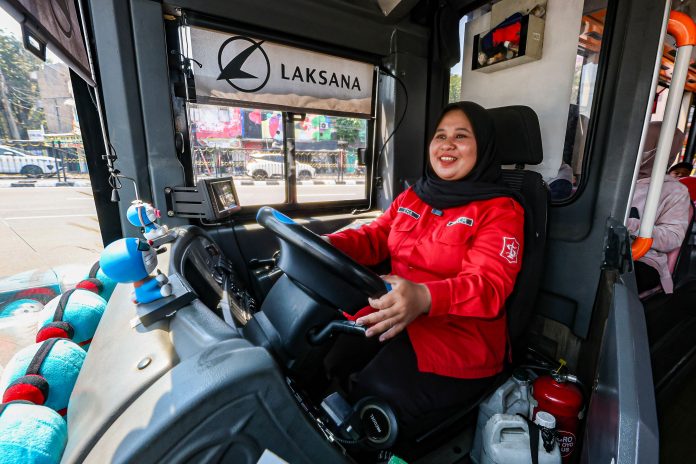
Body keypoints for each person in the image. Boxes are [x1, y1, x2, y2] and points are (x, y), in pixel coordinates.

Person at [323, 101, 525, 438]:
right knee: (328, 353)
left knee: (373, 392)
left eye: (461, 136)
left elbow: (488, 286)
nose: (447, 144)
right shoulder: (415, 195)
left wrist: (424, 296)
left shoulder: (501, 210)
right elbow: (375, 236)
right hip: (395, 313)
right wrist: (330, 243)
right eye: (440, 136)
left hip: (460, 339)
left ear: (483, 148)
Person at [628, 121, 691, 293]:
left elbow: (673, 237)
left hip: (643, 258)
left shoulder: (676, 191)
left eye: (646, 146)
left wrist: (634, 226)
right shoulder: (616, 177)